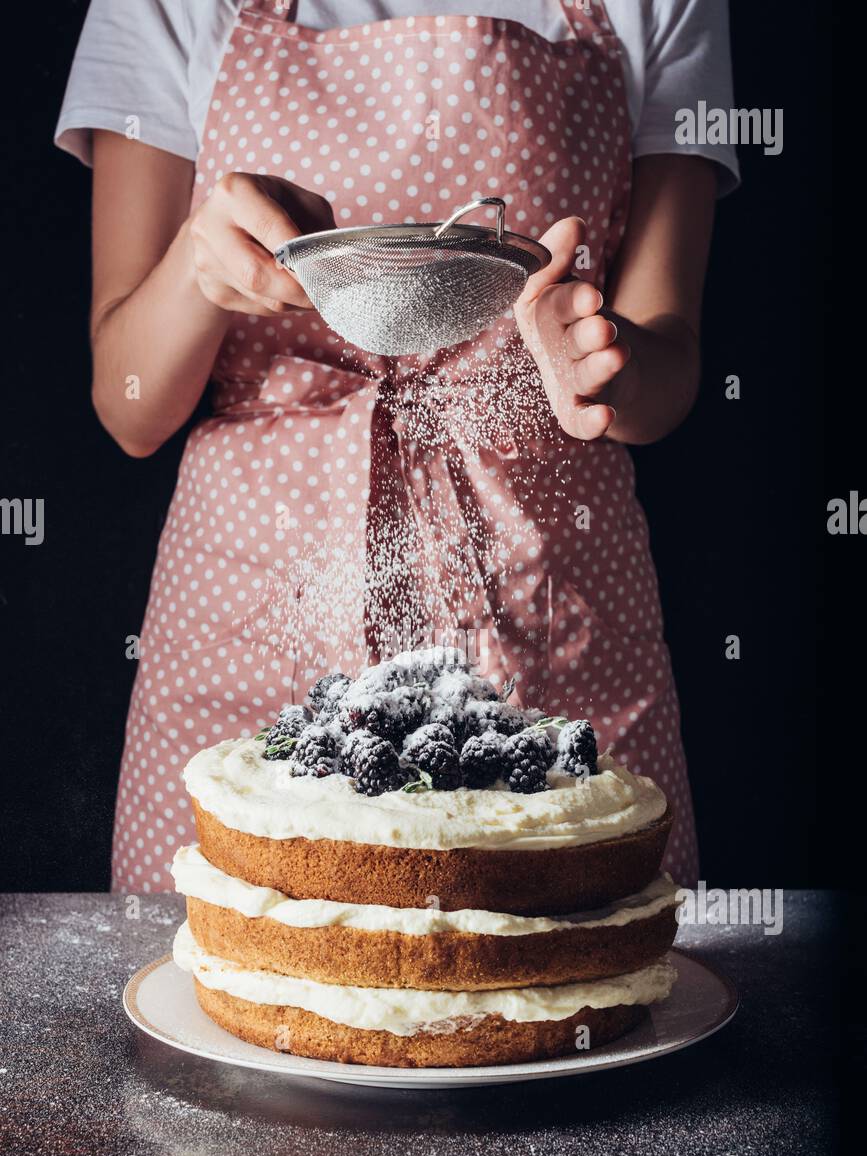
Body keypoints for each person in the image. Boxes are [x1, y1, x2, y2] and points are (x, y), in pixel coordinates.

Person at [56, 0, 739, 891]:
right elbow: (130, 405)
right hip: (248, 604)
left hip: (546, 607)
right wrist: (200, 264)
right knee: (235, 977)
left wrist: (602, 362)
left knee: (562, 983)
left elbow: (667, 366)